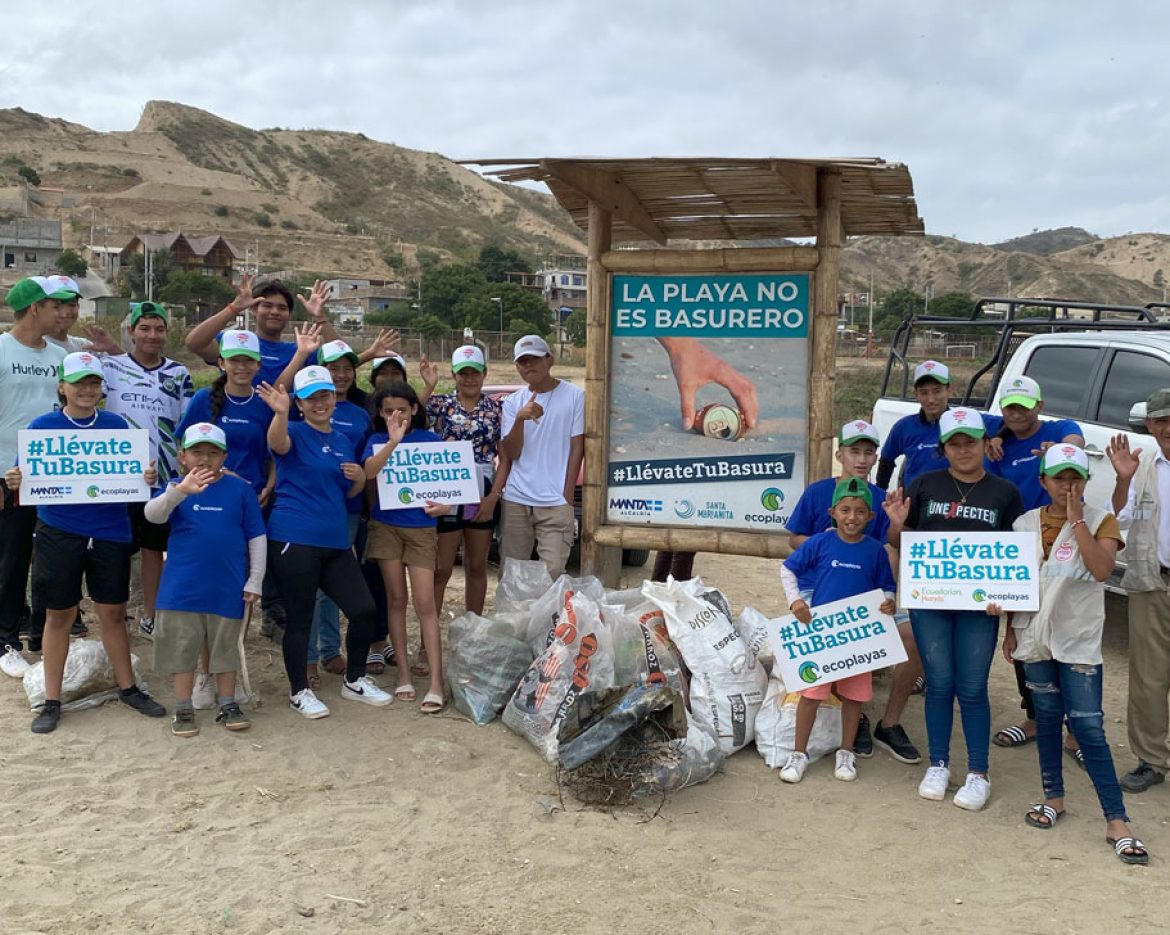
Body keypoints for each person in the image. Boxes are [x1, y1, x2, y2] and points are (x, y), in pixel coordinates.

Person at [992, 444, 1146, 864]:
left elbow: (1100, 570)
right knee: (1045, 719)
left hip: (1077, 641)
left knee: (1089, 728)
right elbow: (1016, 583)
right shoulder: (1024, 523)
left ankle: (1116, 820)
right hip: (1034, 638)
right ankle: (1053, 798)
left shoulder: (1101, 521)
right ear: (1043, 481)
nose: (1067, 486)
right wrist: (1008, 626)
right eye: (1059, 478)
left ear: (1085, 481)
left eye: (1075, 478)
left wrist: (1078, 521)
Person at [5, 352, 165, 733]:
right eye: (79, 382)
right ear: (62, 387)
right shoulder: (43, 428)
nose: (87, 390)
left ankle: (128, 688)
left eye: (94, 383)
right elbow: (24, 475)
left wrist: (145, 475)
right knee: (59, 615)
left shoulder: (116, 426)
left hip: (109, 530)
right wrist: (14, 479)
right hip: (59, 530)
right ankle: (52, 698)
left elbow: (136, 478)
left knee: (112, 612)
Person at [885, 407, 1024, 810]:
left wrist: (1009, 600)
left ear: (985, 444)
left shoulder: (1005, 493)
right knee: (940, 684)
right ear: (944, 449)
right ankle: (939, 763)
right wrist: (895, 522)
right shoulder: (924, 484)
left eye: (971, 442)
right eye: (955, 444)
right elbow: (902, 541)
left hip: (980, 608)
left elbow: (1012, 555)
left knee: (973, 687)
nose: (964, 450)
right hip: (930, 602)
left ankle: (978, 773)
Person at [786, 419, 922, 764]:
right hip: (820, 587)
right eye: (854, 451)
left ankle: (887, 723)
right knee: (828, 643)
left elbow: (891, 549)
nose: (861, 459)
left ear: (876, 457)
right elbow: (794, 540)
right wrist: (833, 547)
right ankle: (847, 720)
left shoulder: (881, 499)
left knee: (912, 637)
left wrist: (894, 524)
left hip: (868, 591)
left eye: (868, 452)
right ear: (840, 454)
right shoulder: (818, 492)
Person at [259, 365, 389, 717]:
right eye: (311, 398)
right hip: (294, 537)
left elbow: (350, 489)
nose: (320, 403)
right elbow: (276, 442)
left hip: (334, 541)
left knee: (363, 610)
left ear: (335, 397)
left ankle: (355, 679)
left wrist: (361, 476)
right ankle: (298, 690)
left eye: (325, 395)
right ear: (299, 404)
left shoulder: (343, 439)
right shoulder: (294, 431)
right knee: (301, 618)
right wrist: (281, 413)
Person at [144, 423, 266, 737]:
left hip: (228, 586)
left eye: (213, 453)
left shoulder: (240, 490)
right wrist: (180, 492)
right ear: (182, 456)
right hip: (181, 589)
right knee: (182, 648)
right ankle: (183, 708)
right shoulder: (176, 486)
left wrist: (255, 579)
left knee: (225, 647)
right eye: (197, 451)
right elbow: (153, 514)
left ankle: (227, 704)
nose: (204, 459)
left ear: (224, 456)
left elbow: (256, 536)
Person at [985, 375, 1086, 752]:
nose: (1016, 413)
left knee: (1069, 634)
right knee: (1024, 632)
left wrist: (1060, 449)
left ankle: (1077, 730)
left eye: (1024, 407)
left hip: (1063, 542)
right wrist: (995, 433)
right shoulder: (998, 439)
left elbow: (1075, 442)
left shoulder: (1059, 429)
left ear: (1039, 407)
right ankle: (1033, 717)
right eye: (1010, 406)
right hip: (1019, 546)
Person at [778, 477, 899, 783]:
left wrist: (889, 601)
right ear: (832, 512)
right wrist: (795, 603)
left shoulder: (875, 551)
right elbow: (788, 568)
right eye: (845, 509)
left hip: (858, 638)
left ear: (871, 517)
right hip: (823, 636)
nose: (852, 517)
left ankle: (846, 752)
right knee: (811, 694)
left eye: (860, 512)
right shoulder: (820, 542)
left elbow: (887, 585)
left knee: (854, 698)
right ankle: (798, 753)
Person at [102, 301, 193, 639]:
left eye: (158, 329)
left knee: (155, 550)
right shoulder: (109, 368)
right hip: (119, 478)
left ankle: (151, 617)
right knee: (119, 547)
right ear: (131, 332)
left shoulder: (179, 374)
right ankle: (117, 616)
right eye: (145, 328)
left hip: (164, 479)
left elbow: (187, 424)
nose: (152, 335)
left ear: (166, 333)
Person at [363, 382, 449, 712]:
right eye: (387, 411)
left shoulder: (430, 440)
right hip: (386, 527)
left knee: (425, 603)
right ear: (380, 414)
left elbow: (448, 486)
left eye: (401, 409)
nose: (395, 415)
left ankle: (437, 682)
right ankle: (402, 674)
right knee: (396, 599)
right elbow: (369, 472)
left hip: (422, 529)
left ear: (415, 408)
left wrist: (444, 507)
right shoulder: (375, 441)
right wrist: (392, 442)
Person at [0, 277, 70, 678]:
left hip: (54, 478)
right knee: (11, 561)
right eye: (53, 305)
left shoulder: (59, 354)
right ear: (33, 309)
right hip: (9, 478)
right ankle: (5, 639)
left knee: (50, 559)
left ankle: (42, 634)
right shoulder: (2, 349)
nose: (61, 312)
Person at [1107, 388, 1170, 793]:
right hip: (1154, 580)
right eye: (1162, 421)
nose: (1169, 429)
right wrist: (1122, 480)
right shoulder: (1143, 465)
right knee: (1149, 677)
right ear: (1150, 425)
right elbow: (1119, 518)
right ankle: (1151, 759)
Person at [420, 345, 506, 617]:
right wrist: (428, 386)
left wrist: (493, 497)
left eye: (475, 373)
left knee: (477, 565)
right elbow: (409, 417)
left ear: (485, 373)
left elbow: (506, 456)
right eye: (463, 373)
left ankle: (474, 630)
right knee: (442, 567)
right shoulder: (440, 404)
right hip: (448, 490)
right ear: (454, 374)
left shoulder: (497, 408)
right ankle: (427, 637)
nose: (469, 379)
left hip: (481, 490)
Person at [307, 339, 372, 683]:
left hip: (351, 509)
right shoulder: (304, 414)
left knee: (338, 584)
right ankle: (317, 653)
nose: (342, 375)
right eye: (334, 368)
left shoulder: (361, 415)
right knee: (317, 585)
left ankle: (331, 650)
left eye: (348, 368)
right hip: (316, 511)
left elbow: (367, 464)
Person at [499, 335, 585, 580]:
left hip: (555, 501)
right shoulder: (513, 402)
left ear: (550, 360)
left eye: (534, 359)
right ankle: (514, 619)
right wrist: (519, 419)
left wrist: (566, 496)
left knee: (553, 572)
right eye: (522, 362)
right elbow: (511, 452)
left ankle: (548, 619)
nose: (528, 366)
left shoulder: (574, 396)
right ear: (517, 367)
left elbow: (577, 447)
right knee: (513, 574)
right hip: (517, 498)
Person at [185, 274, 340, 387]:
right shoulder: (236, 343)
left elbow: (340, 357)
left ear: (289, 314)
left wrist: (320, 317)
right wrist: (234, 308)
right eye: (267, 305)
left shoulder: (302, 351)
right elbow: (194, 343)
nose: (275, 311)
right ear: (253, 309)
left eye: (282, 308)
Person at [177, 330, 274, 503]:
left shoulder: (266, 403)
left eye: (248, 361)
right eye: (234, 360)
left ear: (258, 364)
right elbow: (183, 448)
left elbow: (275, 454)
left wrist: (269, 487)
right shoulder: (202, 399)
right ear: (221, 363)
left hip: (254, 495)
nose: (241, 367)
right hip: (207, 492)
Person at [876, 360, 952, 490]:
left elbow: (999, 419)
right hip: (914, 504)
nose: (931, 399)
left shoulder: (964, 424)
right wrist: (880, 495)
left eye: (937, 391)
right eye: (924, 392)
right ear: (916, 394)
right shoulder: (903, 427)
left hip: (952, 505)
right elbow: (886, 461)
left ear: (949, 390)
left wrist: (998, 436)